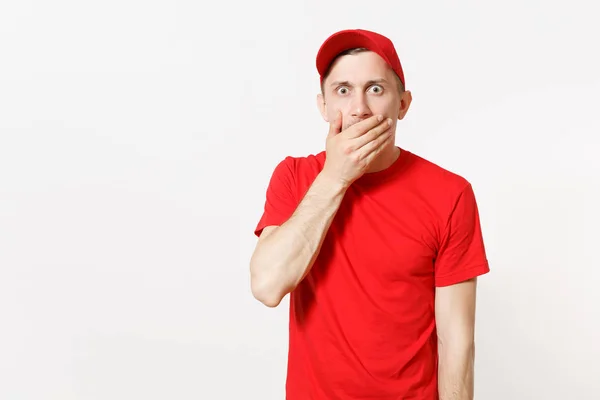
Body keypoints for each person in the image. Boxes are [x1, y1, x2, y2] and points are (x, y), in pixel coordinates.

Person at [249, 28, 490, 400]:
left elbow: (456, 344)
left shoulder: (450, 194)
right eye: (342, 90)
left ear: (403, 104)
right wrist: (336, 177)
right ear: (324, 106)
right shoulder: (295, 177)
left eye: (375, 89)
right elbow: (267, 286)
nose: (359, 108)